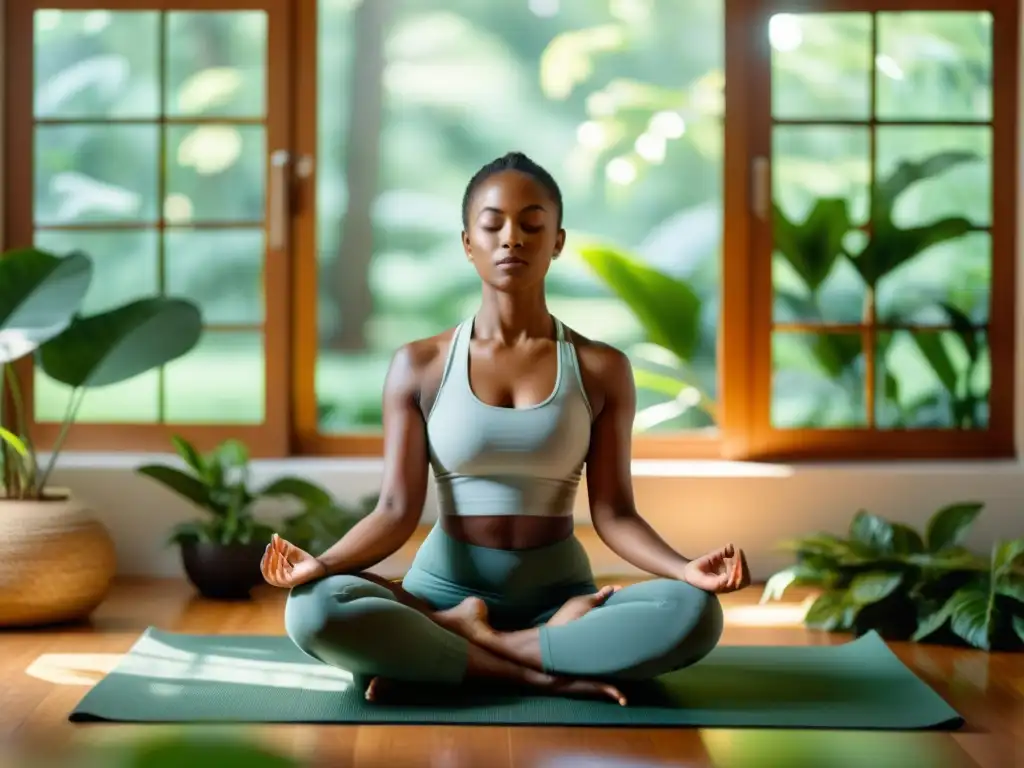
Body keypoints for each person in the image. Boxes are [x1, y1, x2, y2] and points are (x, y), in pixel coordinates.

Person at [261, 151, 750, 706]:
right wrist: (321, 565)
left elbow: (614, 513)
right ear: (468, 243)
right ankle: (534, 664)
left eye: (532, 224)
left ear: (558, 241)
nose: (511, 238)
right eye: (492, 225)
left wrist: (686, 568)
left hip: (560, 594)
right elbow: (396, 511)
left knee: (693, 613)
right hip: (443, 592)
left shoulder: (601, 368)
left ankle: (451, 652)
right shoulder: (419, 364)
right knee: (312, 608)